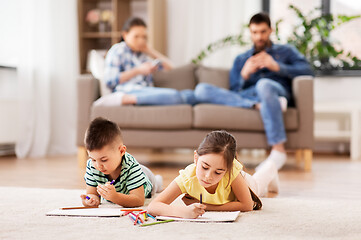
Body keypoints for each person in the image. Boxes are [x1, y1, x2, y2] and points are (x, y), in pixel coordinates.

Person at [194, 13, 314, 170]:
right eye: (255, 32)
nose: (259, 37)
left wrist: (276, 66)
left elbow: (308, 70)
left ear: (270, 30)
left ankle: (278, 150)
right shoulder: (241, 59)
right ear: (250, 32)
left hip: (275, 90)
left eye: (263, 32)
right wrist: (244, 74)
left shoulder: (286, 51)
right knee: (202, 90)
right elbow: (234, 91)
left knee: (264, 84)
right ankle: (257, 104)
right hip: (249, 95)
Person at [147, 130, 280, 219]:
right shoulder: (188, 178)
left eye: (218, 172)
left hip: (248, 184)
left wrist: (207, 206)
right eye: (205, 167)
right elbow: (153, 206)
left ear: (227, 169)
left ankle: (271, 166)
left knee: (259, 182)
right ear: (196, 158)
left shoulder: (232, 172)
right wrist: (183, 212)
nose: (208, 176)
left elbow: (247, 205)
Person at [98, 17, 196, 106]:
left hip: (147, 91)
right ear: (125, 35)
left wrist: (150, 51)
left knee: (188, 94)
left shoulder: (142, 54)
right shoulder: (118, 50)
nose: (141, 41)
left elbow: (171, 68)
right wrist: (138, 70)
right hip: (129, 91)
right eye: (136, 37)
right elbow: (109, 80)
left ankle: (195, 95)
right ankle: (126, 99)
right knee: (175, 95)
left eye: (144, 37)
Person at [81, 117, 162, 207]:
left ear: (121, 151)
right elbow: (92, 193)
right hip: (128, 179)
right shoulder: (92, 166)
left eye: (104, 160)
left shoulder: (131, 167)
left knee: (156, 185)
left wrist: (115, 197)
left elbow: (139, 200)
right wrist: (91, 200)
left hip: (146, 177)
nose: (98, 165)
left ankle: (158, 180)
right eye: (93, 159)